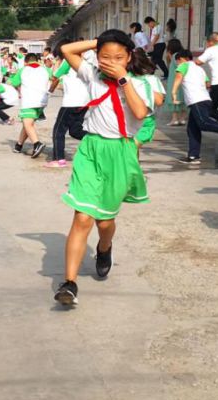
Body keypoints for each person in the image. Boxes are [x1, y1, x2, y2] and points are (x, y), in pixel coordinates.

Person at [54, 30, 155, 307]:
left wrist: (123, 77)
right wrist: (100, 43)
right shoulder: (92, 74)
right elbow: (68, 50)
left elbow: (139, 113)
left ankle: (104, 247)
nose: (111, 61)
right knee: (82, 218)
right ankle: (69, 283)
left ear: (129, 56)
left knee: (105, 222)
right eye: (105, 57)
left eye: (119, 56)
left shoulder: (141, 82)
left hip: (121, 152)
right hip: (91, 149)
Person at [173, 50, 218, 165]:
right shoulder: (200, 69)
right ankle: (193, 156)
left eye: (178, 61)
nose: (177, 64)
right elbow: (207, 84)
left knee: (203, 123)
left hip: (196, 100)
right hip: (205, 99)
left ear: (182, 58)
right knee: (192, 128)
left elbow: (178, 79)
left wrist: (174, 93)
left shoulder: (184, 66)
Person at [47, 42, 91, 167]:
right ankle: (97, 141)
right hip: (84, 102)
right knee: (75, 131)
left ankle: (58, 159)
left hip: (71, 102)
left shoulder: (68, 61)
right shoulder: (85, 62)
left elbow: (54, 76)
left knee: (58, 131)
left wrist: (56, 64)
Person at [11, 53, 52, 158]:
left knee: (27, 123)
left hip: (29, 100)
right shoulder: (45, 69)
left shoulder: (23, 70)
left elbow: (14, 83)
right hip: (42, 101)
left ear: (25, 62)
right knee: (27, 123)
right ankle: (18, 145)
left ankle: (37, 143)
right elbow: (54, 78)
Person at [132, 48, 166, 152]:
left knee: (132, 148)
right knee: (131, 152)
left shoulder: (151, 79)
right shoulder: (124, 78)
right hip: (126, 120)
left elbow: (159, 101)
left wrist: (144, 85)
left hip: (145, 121)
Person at [163, 38, 187, 127]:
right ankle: (182, 118)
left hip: (174, 79)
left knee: (174, 98)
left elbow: (171, 67)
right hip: (183, 79)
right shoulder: (183, 55)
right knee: (183, 98)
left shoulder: (174, 56)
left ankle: (175, 119)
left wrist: (169, 57)